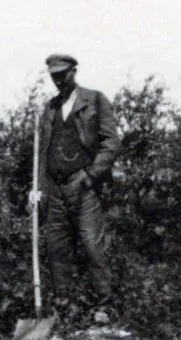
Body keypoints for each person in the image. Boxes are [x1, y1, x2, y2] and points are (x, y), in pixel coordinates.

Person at [30, 54, 120, 314]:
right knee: (57, 248)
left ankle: (103, 306)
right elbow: (43, 150)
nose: (58, 80)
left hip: (83, 185)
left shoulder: (94, 100)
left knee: (93, 246)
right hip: (54, 188)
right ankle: (65, 305)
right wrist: (37, 186)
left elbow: (111, 143)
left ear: (74, 71)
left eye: (63, 74)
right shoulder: (50, 108)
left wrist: (91, 175)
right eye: (54, 76)